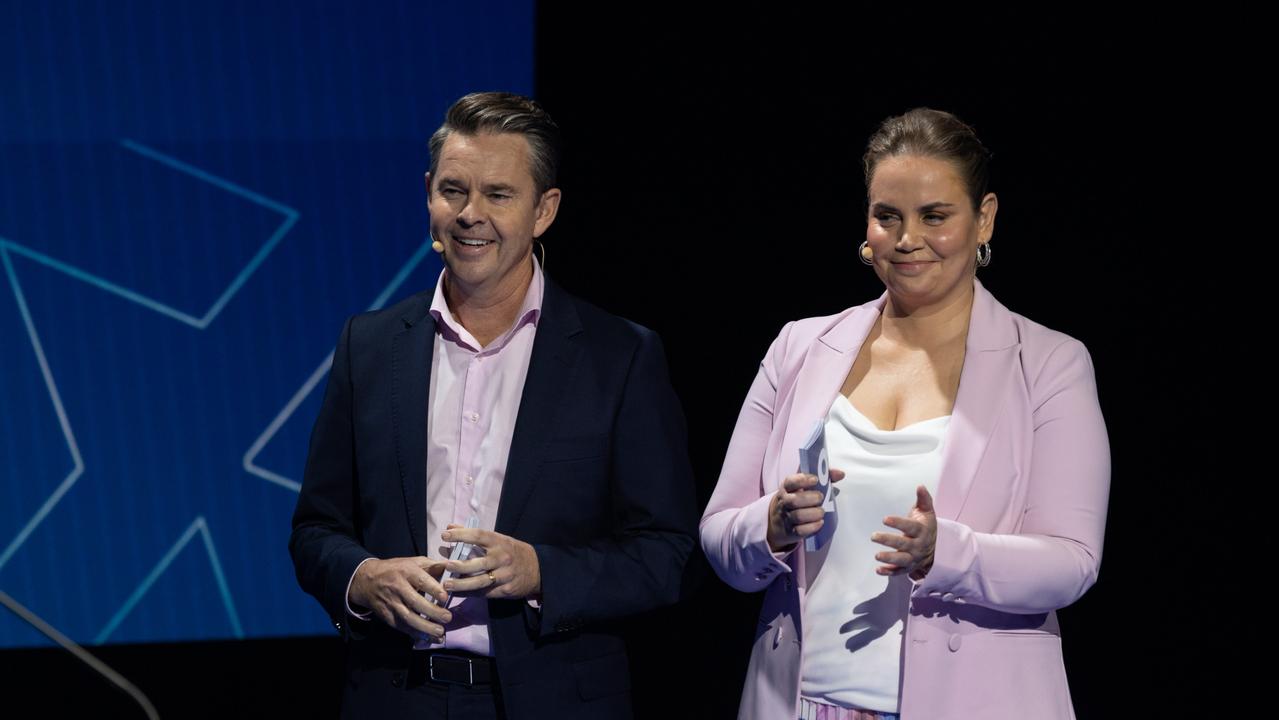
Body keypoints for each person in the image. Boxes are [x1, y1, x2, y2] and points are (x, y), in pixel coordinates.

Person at [290, 91, 696, 720]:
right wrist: (363, 578)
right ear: (429, 195)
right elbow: (315, 530)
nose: (470, 214)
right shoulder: (368, 346)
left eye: (498, 195)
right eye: (453, 190)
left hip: (554, 700)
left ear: (544, 210)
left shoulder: (621, 356)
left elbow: (666, 553)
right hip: (394, 697)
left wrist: (542, 572)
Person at [699, 108, 1110, 720]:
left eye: (935, 216)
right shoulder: (801, 348)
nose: (907, 238)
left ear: (985, 218)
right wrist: (773, 525)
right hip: (798, 704)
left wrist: (948, 552)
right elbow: (718, 533)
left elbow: (1073, 561)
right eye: (887, 216)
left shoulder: (1048, 363)